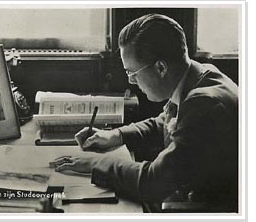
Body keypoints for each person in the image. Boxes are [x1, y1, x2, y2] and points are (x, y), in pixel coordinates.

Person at [51, 14, 238, 211]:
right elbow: (163, 123)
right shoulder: (199, 75)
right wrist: (115, 136)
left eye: (132, 73)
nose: (131, 82)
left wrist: (96, 163)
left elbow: (154, 182)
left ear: (160, 67)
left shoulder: (204, 103)